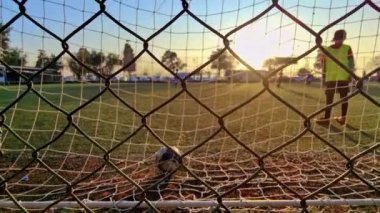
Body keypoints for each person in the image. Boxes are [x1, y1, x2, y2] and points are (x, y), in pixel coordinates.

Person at [315, 29, 355, 125]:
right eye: (341, 37)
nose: (342, 39)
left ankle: (342, 118)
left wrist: (351, 75)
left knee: (343, 98)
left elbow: (351, 63)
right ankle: (327, 118)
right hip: (333, 78)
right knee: (331, 99)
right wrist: (323, 77)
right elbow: (324, 64)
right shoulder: (328, 50)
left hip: (341, 78)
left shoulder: (346, 48)